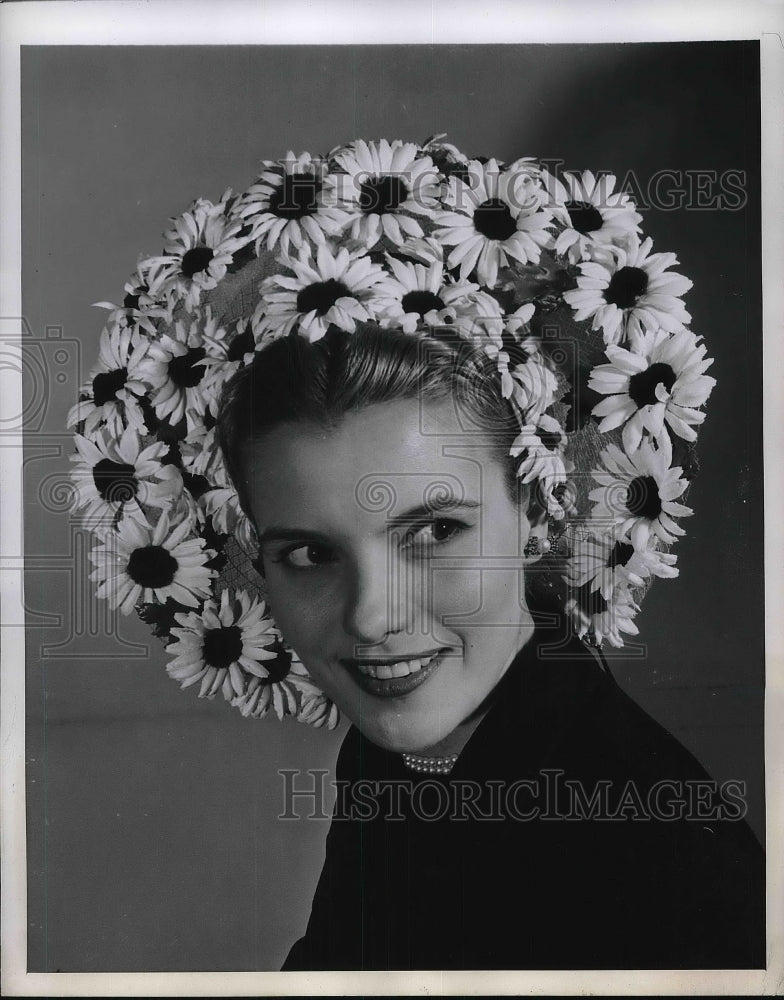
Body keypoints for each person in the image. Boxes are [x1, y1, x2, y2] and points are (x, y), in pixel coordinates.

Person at [72, 136, 764, 971]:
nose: (372, 617)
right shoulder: (412, 756)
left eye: (434, 532)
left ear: (541, 509)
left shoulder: (661, 864)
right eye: (308, 554)